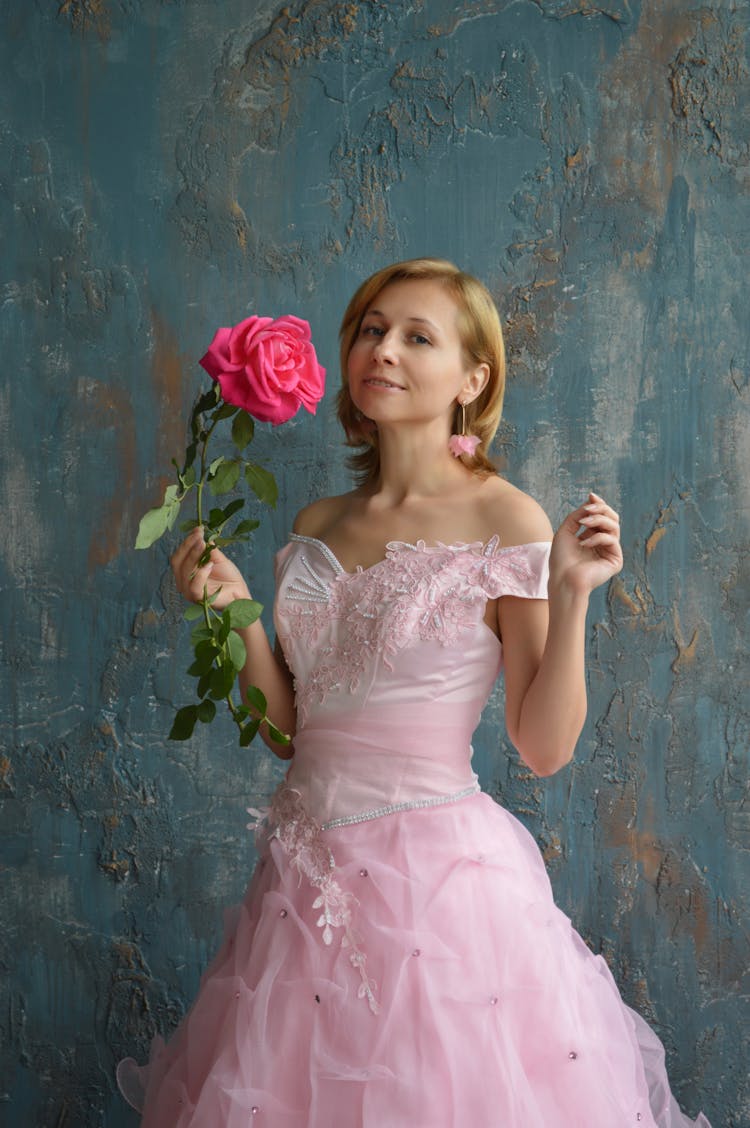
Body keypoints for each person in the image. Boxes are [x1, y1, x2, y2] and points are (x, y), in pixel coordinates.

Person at [117, 258, 710, 1126]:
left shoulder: (506, 517)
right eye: (370, 328)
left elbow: (541, 748)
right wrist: (238, 615)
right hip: (302, 892)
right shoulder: (318, 524)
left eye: (416, 336)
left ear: (474, 378)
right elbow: (291, 731)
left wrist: (573, 593)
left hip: (438, 895)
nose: (382, 349)